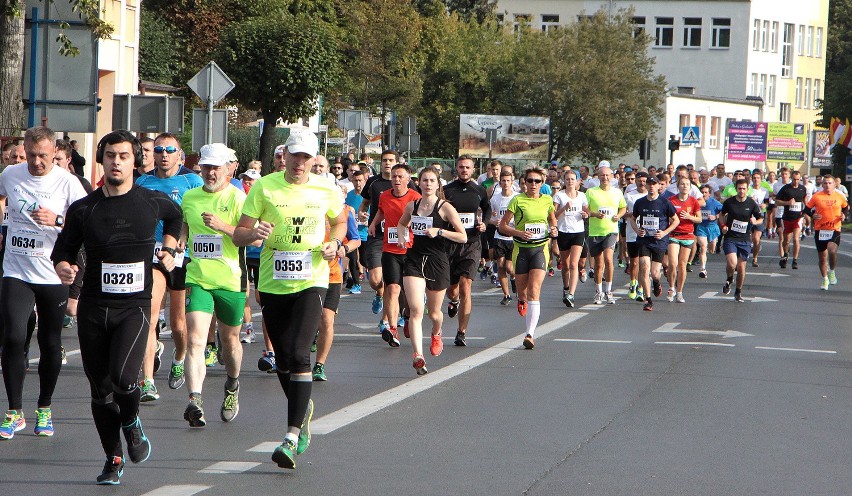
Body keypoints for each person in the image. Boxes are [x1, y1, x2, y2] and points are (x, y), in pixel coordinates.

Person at [51, 130, 182, 484]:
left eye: (124, 156)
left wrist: (169, 248)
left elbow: (176, 217)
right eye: (110, 155)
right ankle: (113, 458)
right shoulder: (84, 209)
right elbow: (62, 249)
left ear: (135, 161)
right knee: (100, 389)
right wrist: (63, 266)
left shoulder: (150, 201)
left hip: (134, 308)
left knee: (125, 378)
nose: (116, 162)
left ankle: (131, 421)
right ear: (101, 159)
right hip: (95, 307)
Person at [233, 130, 347, 470]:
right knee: (283, 358)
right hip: (272, 282)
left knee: (300, 352)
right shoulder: (265, 187)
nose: (299, 162)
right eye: (294, 155)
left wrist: (335, 244)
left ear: (314, 159)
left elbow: (340, 222)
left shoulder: (326, 188)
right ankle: (303, 404)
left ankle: (292, 435)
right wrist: (253, 234)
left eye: (306, 157)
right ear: (285, 155)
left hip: (312, 279)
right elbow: (239, 233)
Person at [0, 126, 87, 440]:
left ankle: (45, 408)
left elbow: (87, 221)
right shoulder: (11, 174)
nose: (37, 162)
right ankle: (13, 411)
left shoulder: (68, 183)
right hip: (16, 270)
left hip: (52, 272)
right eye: (32, 155)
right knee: (12, 336)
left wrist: (59, 220)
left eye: (44, 156)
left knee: (50, 343)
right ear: (25, 149)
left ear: (54, 154)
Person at [180, 143, 256, 428]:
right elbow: (184, 228)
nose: (210, 173)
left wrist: (223, 227)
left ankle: (233, 385)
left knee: (230, 343)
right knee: (196, 340)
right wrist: (178, 243)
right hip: (198, 278)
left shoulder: (239, 198)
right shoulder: (189, 197)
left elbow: (255, 239)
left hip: (230, 280)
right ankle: (195, 400)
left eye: (216, 167)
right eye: (206, 167)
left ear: (228, 168)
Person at [135, 133, 203, 401]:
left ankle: (178, 356)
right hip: (152, 255)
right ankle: (148, 381)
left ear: (179, 155)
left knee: (177, 324)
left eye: (169, 150)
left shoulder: (191, 181)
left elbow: (198, 218)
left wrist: (185, 242)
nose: (163, 154)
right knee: (150, 317)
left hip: (180, 256)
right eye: (159, 150)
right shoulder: (142, 182)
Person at [397, 167, 467, 374]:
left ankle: (437, 333)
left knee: (434, 313)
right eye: (424, 180)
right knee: (416, 310)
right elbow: (402, 224)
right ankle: (418, 356)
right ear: (418, 183)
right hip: (415, 259)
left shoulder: (445, 208)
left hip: (438, 261)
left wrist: (441, 231)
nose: (427, 184)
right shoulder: (412, 205)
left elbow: (462, 236)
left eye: (431, 181)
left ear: (438, 184)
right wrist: (402, 237)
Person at [498, 167, 557, 349]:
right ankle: (520, 299)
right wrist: (518, 233)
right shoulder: (517, 200)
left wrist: (553, 230)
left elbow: (552, 221)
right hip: (521, 250)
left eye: (537, 181)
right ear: (524, 182)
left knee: (534, 290)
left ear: (542, 183)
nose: (533, 184)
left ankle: (529, 334)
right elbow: (502, 226)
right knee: (523, 292)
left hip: (540, 249)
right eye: (529, 181)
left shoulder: (547, 200)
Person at [368, 164, 421, 346]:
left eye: (400, 177)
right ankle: (392, 328)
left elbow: (422, 220)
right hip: (390, 249)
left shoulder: (415, 198)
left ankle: (406, 316)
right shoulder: (384, 196)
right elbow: (381, 211)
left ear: (408, 179)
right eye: (394, 177)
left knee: (408, 291)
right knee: (392, 288)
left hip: (411, 250)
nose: (397, 180)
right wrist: (374, 223)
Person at [443, 155, 491, 346]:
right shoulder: (446, 190)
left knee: (465, 286)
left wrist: (484, 225)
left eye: (468, 167)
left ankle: (461, 332)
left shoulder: (479, 190)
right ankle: (453, 302)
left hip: (471, 243)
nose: (464, 170)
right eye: (461, 167)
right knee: (452, 290)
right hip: (450, 243)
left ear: (473, 170)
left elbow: (487, 210)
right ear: (457, 169)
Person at [630, 175, 679, 311]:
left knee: (655, 273)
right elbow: (632, 219)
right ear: (646, 186)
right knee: (644, 267)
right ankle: (648, 300)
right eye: (649, 184)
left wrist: (664, 232)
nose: (651, 186)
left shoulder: (665, 202)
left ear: (659, 186)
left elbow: (676, 220)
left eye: (654, 184)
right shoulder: (640, 202)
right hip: (644, 240)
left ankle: (656, 283)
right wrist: (637, 230)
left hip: (659, 241)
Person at [585, 165, 626, 304]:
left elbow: (623, 207)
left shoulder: (617, 192)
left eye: (607, 175)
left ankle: (609, 291)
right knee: (598, 263)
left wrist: (618, 216)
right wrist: (595, 214)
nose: (605, 178)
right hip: (595, 231)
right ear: (598, 177)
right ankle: (598, 291)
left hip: (611, 230)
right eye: (602, 175)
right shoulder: (591, 192)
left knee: (608, 259)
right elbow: (586, 210)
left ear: (612, 177)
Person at [718, 179, 764, 302]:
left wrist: (755, 221)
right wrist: (723, 226)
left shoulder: (751, 203)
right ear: (736, 188)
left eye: (744, 188)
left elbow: (760, 219)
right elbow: (721, 215)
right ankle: (729, 278)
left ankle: (738, 292)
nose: (742, 191)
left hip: (744, 239)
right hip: (731, 238)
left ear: (747, 189)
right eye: (739, 188)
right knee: (732, 263)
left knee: (741, 268)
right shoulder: (729, 202)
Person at [553, 170, 589, 308]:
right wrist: (564, 208)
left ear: (577, 181)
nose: (570, 181)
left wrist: (586, 214)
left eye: (573, 179)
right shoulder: (559, 196)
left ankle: (571, 295)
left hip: (578, 232)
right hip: (563, 232)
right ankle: (566, 288)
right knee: (566, 265)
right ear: (564, 180)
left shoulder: (582, 196)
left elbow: (587, 211)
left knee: (574, 264)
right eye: (567, 179)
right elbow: (554, 216)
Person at [806, 175, 848, 290]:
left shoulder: (840, 196)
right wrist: (812, 215)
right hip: (820, 229)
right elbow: (806, 209)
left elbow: (845, 207)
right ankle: (825, 279)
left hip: (835, 228)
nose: (827, 185)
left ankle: (832, 271)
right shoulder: (817, 196)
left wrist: (844, 215)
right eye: (825, 183)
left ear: (834, 184)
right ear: (822, 185)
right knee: (822, 257)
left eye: (830, 183)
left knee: (832, 250)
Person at [666, 177, 702, 303]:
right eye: (682, 184)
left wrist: (689, 217)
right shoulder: (671, 200)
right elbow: (666, 216)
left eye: (687, 184)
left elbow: (699, 219)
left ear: (690, 187)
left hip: (687, 235)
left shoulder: (693, 201)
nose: (685, 186)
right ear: (678, 186)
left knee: (682, 265)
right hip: (673, 234)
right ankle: (671, 288)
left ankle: (680, 292)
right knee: (672, 263)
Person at [489, 171, 519, 305]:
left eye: (508, 180)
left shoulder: (517, 198)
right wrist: (494, 220)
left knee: (509, 267)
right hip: (499, 236)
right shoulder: (495, 199)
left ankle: (513, 277)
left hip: (513, 237)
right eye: (503, 181)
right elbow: (487, 217)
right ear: (499, 182)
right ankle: (506, 295)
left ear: (512, 182)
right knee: (500, 265)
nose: (505, 183)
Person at [623, 171, 649, 300]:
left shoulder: (651, 196)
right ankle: (633, 283)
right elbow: (622, 213)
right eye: (640, 180)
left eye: (644, 181)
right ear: (636, 181)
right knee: (634, 262)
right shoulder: (629, 196)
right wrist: (632, 214)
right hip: (632, 233)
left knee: (643, 262)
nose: (642, 183)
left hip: (647, 234)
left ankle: (640, 288)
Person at [774, 170, 807, 270]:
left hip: (798, 218)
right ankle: (785, 255)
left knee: (796, 238)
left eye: (798, 179)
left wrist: (805, 214)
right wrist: (787, 203)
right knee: (786, 241)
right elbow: (777, 202)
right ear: (791, 178)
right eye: (794, 179)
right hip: (787, 218)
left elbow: (805, 202)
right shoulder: (786, 189)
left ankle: (795, 260)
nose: (796, 182)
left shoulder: (802, 189)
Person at [694, 185, 723, 278]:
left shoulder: (715, 203)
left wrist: (715, 217)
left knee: (711, 250)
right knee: (703, 247)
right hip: (701, 227)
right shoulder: (696, 202)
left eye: (706, 192)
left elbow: (724, 212)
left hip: (712, 228)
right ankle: (703, 269)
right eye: (702, 192)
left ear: (709, 194)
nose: (703, 194)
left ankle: (712, 246)